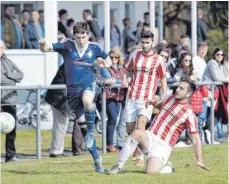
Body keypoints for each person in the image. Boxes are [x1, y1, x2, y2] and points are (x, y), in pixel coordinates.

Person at [39, 21, 111, 172]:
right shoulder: (67, 45)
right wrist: (42, 44)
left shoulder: (95, 47)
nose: (81, 40)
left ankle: (91, 132)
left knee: (87, 100)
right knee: (85, 134)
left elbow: (109, 61)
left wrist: (103, 62)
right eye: (78, 37)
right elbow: (46, 49)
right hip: (71, 92)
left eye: (83, 37)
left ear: (88, 35)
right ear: (74, 35)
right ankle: (97, 159)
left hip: (88, 86)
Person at [108, 78, 210, 175]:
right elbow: (160, 105)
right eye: (178, 87)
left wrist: (199, 160)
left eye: (181, 88)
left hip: (163, 145)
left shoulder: (189, 114)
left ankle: (168, 168)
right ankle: (119, 165)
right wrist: (153, 103)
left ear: (188, 94)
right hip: (150, 136)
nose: (177, 90)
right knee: (136, 133)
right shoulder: (170, 98)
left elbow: (196, 139)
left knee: (150, 172)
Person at [122, 31, 167, 165]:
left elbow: (163, 78)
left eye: (148, 42)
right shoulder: (134, 55)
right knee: (130, 130)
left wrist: (163, 96)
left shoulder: (158, 59)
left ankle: (141, 156)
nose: (145, 45)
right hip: (132, 97)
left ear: (152, 43)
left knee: (141, 125)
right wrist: (125, 79)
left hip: (147, 99)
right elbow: (126, 69)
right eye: (143, 42)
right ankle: (144, 150)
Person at [45, 64, 84, 157]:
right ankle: (56, 152)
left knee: (62, 123)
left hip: (59, 96)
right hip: (59, 97)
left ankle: (58, 150)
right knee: (61, 123)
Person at [0, 40, 24, 162]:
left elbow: (20, 75)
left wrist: (8, 74)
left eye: (1, 48)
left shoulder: (9, 62)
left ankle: (10, 156)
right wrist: (8, 79)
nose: (0, 50)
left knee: (11, 130)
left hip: (10, 101)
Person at [100, 47, 126, 152]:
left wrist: (123, 82)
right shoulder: (106, 68)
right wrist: (121, 82)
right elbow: (109, 80)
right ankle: (110, 143)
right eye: (112, 57)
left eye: (116, 57)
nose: (114, 59)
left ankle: (115, 143)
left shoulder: (122, 68)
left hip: (119, 97)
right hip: (109, 96)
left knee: (117, 120)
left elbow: (123, 79)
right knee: (113, 119)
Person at [203, 48, 228, 143]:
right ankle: (205, 133)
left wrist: (225, 64)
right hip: (208, 93)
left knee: (215, 115)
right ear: (214, 55)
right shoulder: (212, 63)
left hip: (214, 93)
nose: (220, 56)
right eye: (218, 54)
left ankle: (207, 133)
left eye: (222, 55)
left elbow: (225, 75)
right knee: (207, 116)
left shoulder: (220, 64)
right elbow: (217, 78)